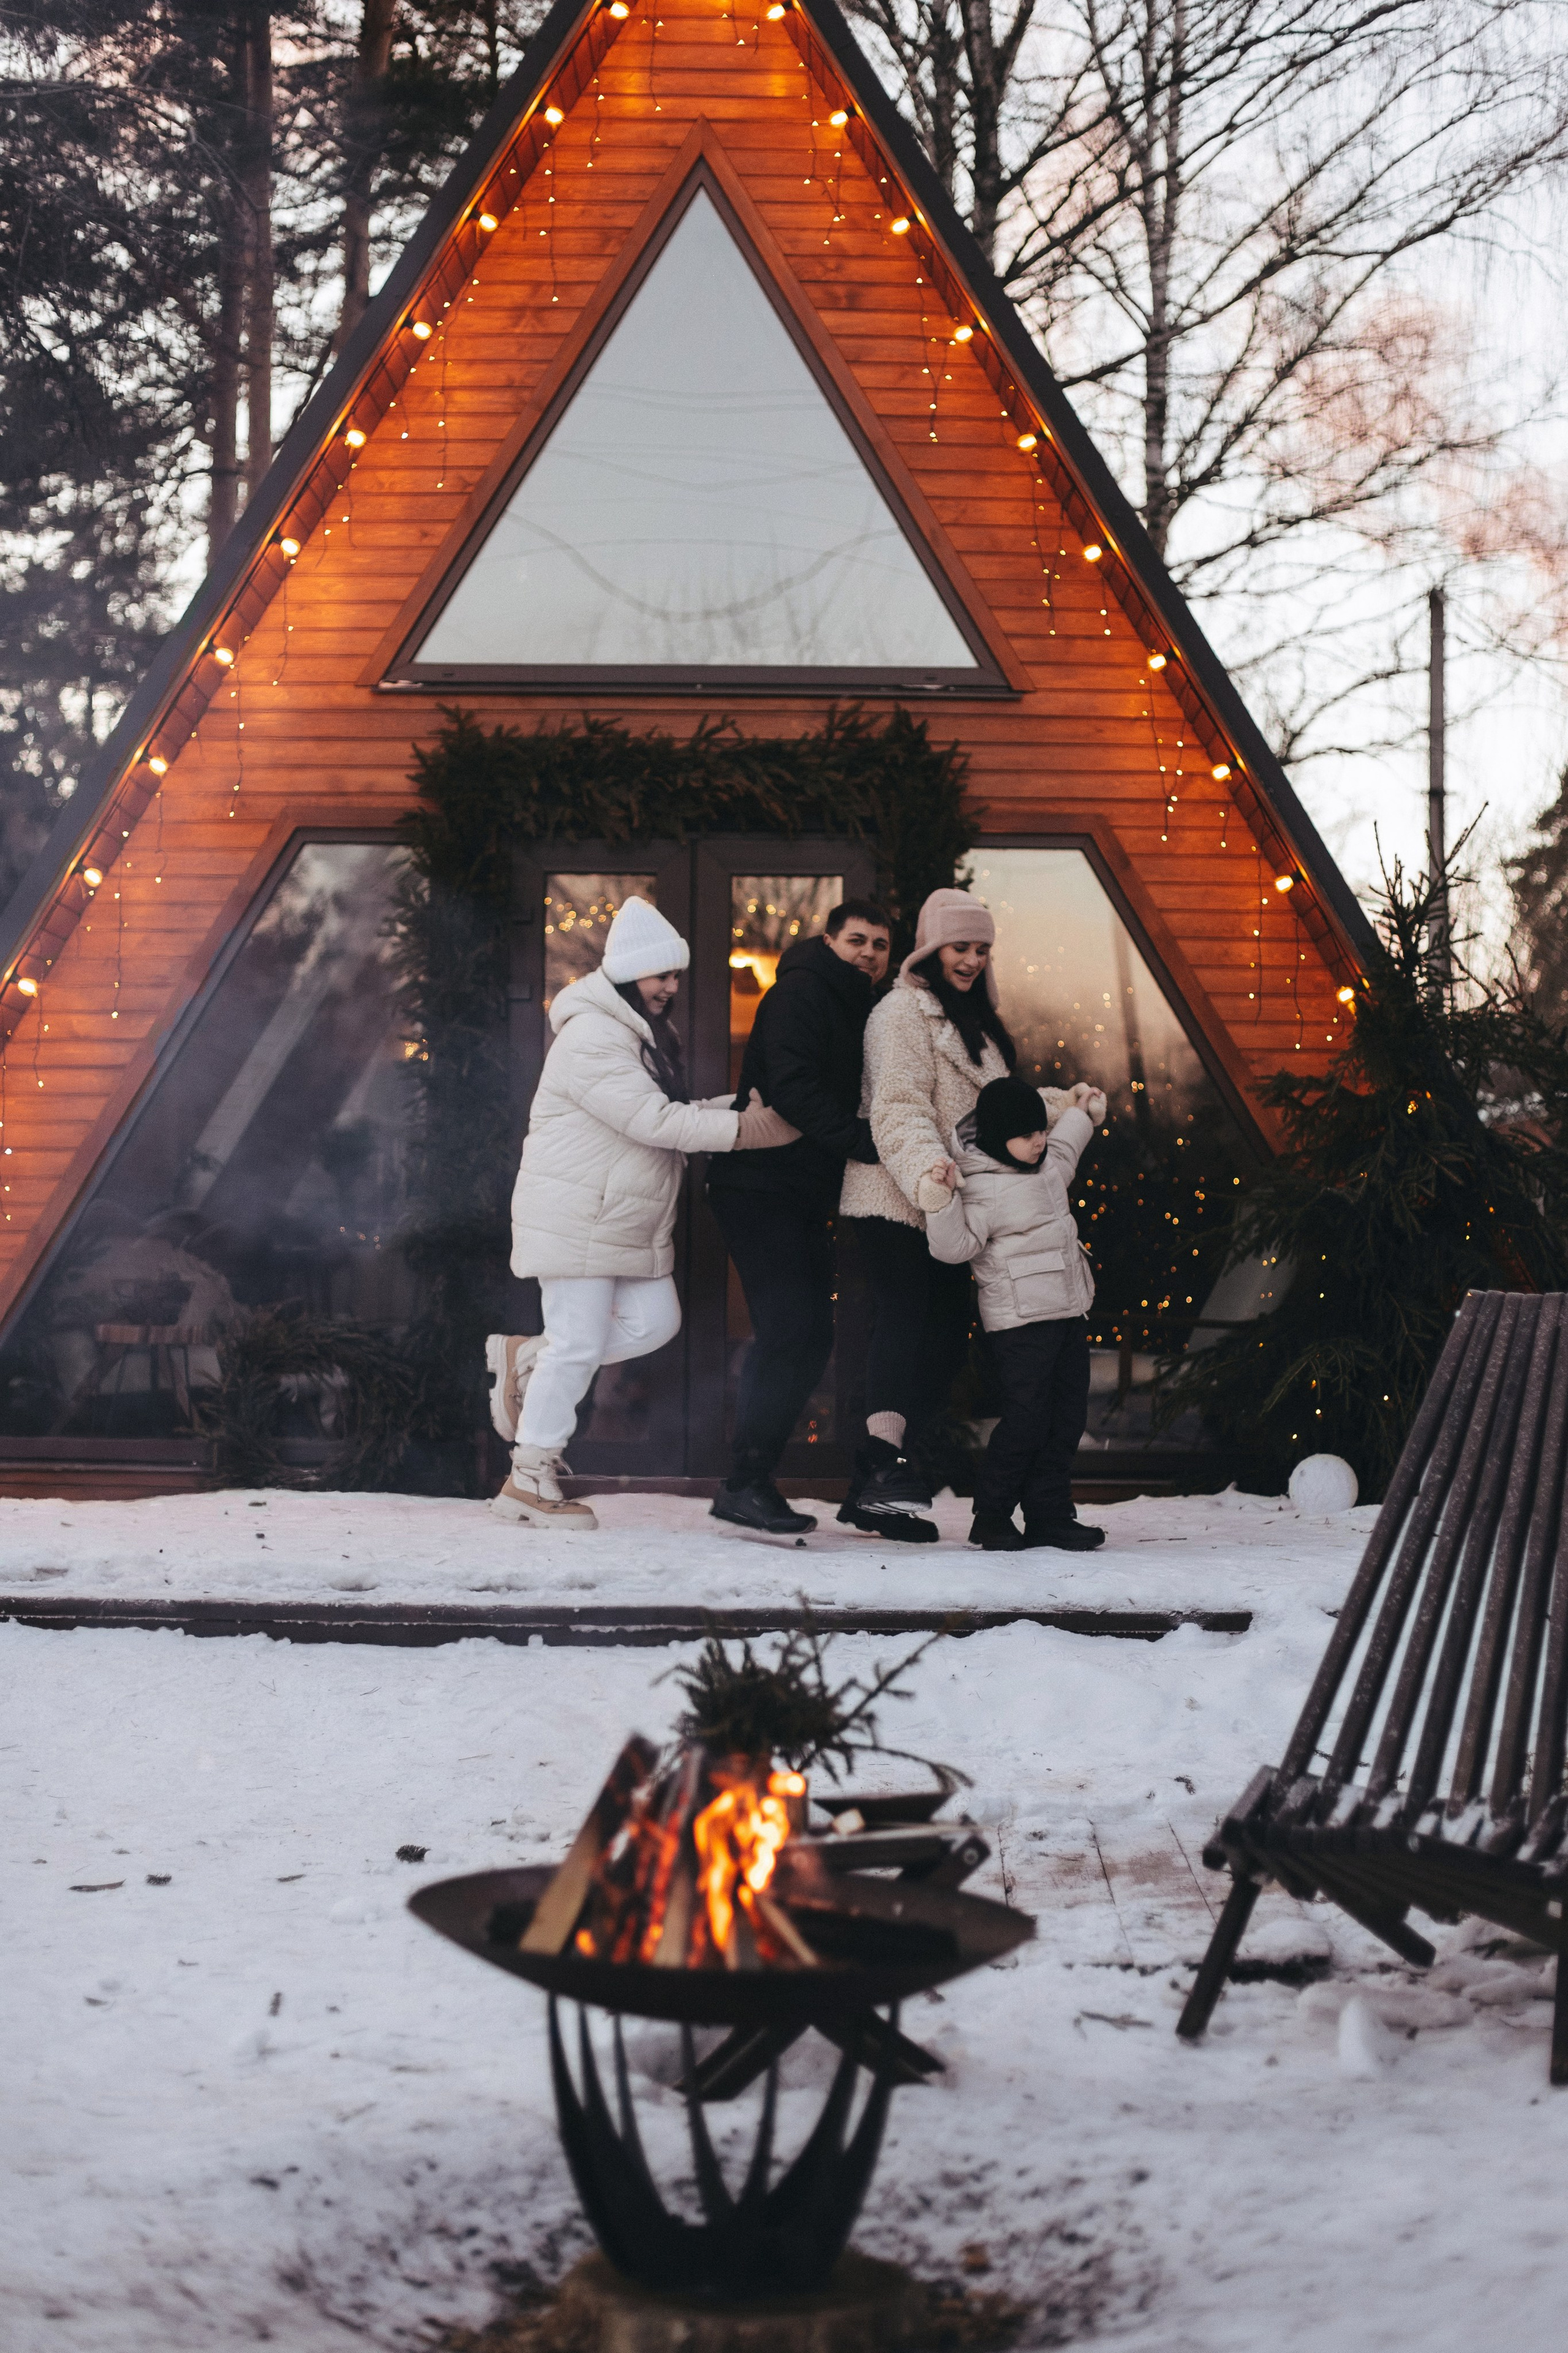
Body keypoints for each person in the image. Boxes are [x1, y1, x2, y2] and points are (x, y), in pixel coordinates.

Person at [488, 897, 795, 1529]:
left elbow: (664, 1106)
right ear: (629, 973)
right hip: (580, 1210)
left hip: (620, 1216)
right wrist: (748, 1129)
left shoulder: (640, 1033)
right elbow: (652, 1121)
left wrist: (734, 1104)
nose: (670, 988)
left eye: (675, 976)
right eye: (661, 975)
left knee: (655, 1322)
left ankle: (532, 1361)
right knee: (577, 1343)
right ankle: (529, 1477)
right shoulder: (593, 1037)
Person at [839, 886, 1041, 1542]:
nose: (973, 960)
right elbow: (897, 1105)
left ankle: (874, 1484)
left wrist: (1060, 1108)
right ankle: (884, 1470)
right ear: (931, 949)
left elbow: (1000, 1111)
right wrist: (928, 1168)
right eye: (961, 947)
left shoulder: (980, 1027)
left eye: (982, 949)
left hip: (951, 1204)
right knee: (905, 1317)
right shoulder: (900, 1014)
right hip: (895, 1192)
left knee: (948, 1337)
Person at [705, 899, 892, 1536]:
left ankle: (752, 1479)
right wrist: (862, 1141)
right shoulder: (802, 993)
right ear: (829, 940)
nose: (869, 953)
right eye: (857, 940)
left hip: (802, 1191)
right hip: (758, 1186)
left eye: (880, 945)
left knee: (811, 1336)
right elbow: (791, 1085)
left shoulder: (860, 1006)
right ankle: (744, 1482)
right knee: (791, 1329)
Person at [921, 1073, 1108, 1551]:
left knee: (1067, 1418)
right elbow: (955, 1247)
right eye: (1027, 1135)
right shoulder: (979, 1186)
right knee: (1027, 1420)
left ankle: (1049, 1513)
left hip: (1069, 1311)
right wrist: (941, 1201)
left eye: (1040, 1129)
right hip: (1021, 1324)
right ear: (999, 1138)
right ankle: (992, 1515)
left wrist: (1083, 1109)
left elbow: (1067, 1141)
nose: (1039, 1140)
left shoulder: (1048, 1164)